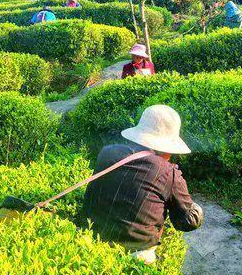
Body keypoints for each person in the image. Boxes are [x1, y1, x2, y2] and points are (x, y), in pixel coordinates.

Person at [82, 105, 203, 264]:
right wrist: (195, 208)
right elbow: (188, 222)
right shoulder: (168, 173)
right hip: (134, 253)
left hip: (90, 239)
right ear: (166, 146)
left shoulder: (106, 152)